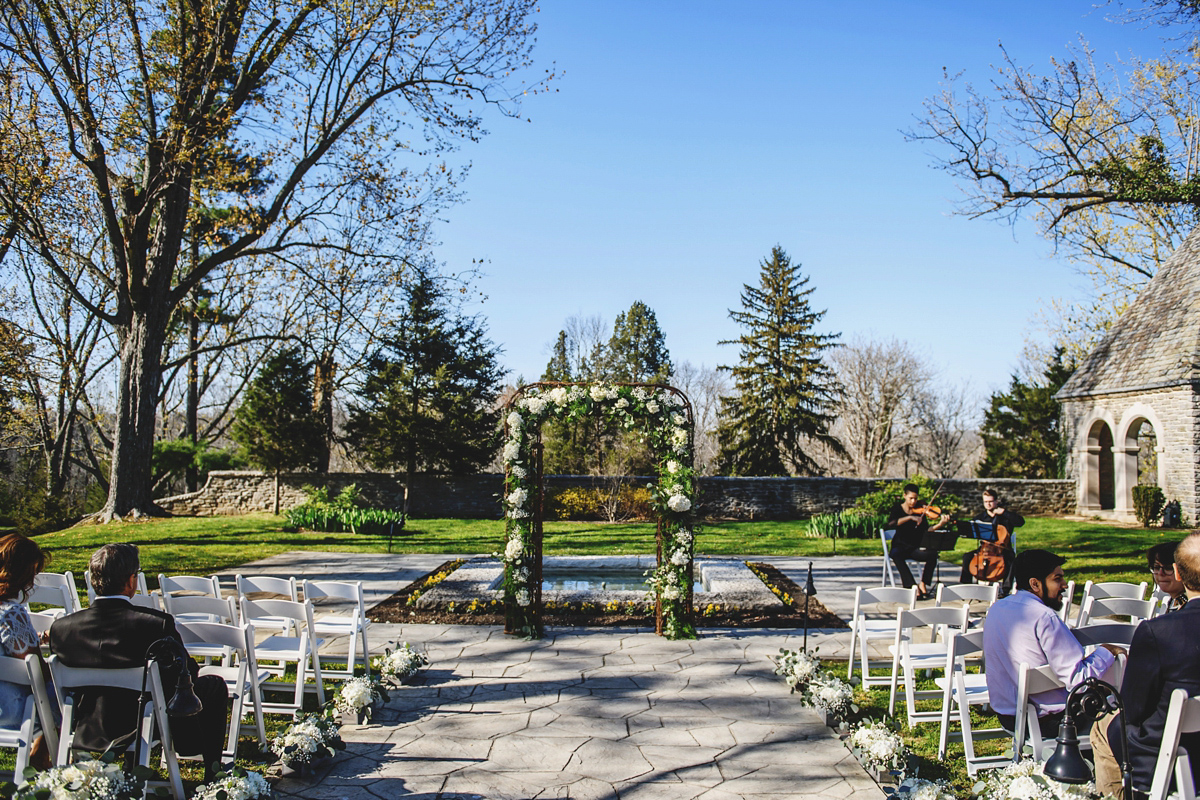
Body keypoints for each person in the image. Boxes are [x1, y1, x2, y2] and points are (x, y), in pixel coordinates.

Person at [49, 543, 229, 779]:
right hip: (142, 722)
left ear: (94, 581)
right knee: (212, 685)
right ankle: (212, 773)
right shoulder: (155, 624)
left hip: (86, 724)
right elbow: (185, 674)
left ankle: (131, 765)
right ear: (131, 581)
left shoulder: (62, 628)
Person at [1091, 532, 1200, 799]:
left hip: (1176, 753)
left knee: (1104, 726)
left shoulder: (1157, 631)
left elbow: (1134, 709)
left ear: (1177, 571)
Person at [982, 548, 1124, 740]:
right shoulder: (1044, 617)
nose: (1064, 585)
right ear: (1035, 584)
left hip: (1008, 717)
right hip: (1053, 722)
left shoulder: (997, 608)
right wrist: (1106, 651)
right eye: (1057, 579)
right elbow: (1078, 681)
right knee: (1124, 678)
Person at [0, 533, 51, 768]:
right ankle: (42, 765)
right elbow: (36, 670)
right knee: (61, 694)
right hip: (8, 707)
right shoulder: (11, 613)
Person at [886, 483, 949, 600]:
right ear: (905, 496)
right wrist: (909, 518)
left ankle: (923, 584)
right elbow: (891, 523)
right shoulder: (897, 509)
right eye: (911, 498)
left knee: (932, 555)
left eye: (915, 498)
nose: (913, 501)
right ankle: (911, 586)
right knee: (896, 555)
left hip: (914, 547)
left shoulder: (921, 511)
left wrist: (940, 524)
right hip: (900, 545)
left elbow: (927, 530)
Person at [959, 488, 1025, 588]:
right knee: (967, 557)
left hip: (1003, 550)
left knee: (1011, 559)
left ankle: (1006, 589)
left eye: (990, 501)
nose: (988, 504)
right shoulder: (981, 517)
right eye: (985, 502)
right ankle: (966, 587)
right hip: (984, 549)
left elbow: (1020, 522)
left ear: (996, 501)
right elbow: (969, 528)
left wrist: (1004, 512)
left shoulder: (1005, 517)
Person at [1146, 540, 1186, 612]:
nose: (1161, 573)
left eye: (1168, 568)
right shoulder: (1174, 601)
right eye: (1157, 567)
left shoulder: (1189, 607)